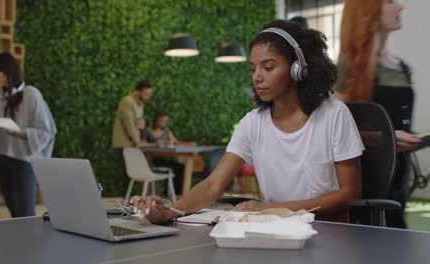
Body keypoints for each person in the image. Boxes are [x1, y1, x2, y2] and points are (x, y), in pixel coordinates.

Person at [132, 19, 364, 224]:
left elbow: (350, 194)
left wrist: (272, 209)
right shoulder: (252, 123)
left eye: (268, 67)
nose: (257, 77)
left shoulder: (334, 115)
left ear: (298, 69)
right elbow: (214, 184)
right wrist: (172, 210)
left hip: (330, 231)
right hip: (278, 230)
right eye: (253, 69)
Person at [333, 0, 422, 228]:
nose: (400, 7)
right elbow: (334, 128)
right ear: (368, 11)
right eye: (390, 2)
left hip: (400, 175)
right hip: (366, 179)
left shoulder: (400, 66)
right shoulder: (349, 66)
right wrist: (386, 138)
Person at [0, 52, 57, 218]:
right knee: (14, 212)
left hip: (23, 161)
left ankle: (31, 244)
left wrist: (18, 131)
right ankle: (19, 243)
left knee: (25, 213)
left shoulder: (31, 94)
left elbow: (46, 130)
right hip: (3, 158)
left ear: (10, 71)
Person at [142, 110, 196, 194]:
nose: (163, 123)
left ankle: (177, 194)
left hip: (165, 159)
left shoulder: (166, 130)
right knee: (176, 168)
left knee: (180, 167)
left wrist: (188, 144)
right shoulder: (147, 131)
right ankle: (170, 194)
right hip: (152, 161)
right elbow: (142, 144)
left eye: (165, 121)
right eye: (161, 121)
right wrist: (155, 144)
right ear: (155, 120)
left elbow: (175, 142)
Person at [112, 80, 153, 148]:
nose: (149, 97)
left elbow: (137, 123)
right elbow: (129, 125)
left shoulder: (140, 103)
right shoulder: (128, 101)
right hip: (125, 143)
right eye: (146, 94)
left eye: (149, 94)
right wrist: (138, 141)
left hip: (133, 143)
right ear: (138, 92)